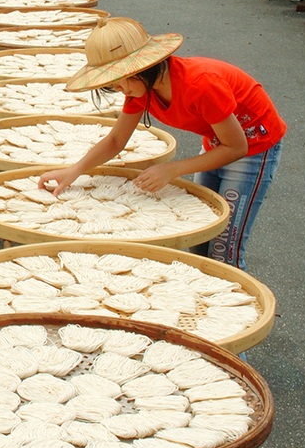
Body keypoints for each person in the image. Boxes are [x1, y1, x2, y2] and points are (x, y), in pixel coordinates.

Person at [37, 17, 285, 270]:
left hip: (254, 144)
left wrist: (173, 169)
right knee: (201, 232)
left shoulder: (200, 84)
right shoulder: (140, 89)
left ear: (144, 67)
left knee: (223, 247)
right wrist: (73, 171)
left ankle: (235, 300)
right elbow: (115, 140)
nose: (120, 88)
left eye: (122, 79)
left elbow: (236, 148)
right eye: (113, 83)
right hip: (219, 140)